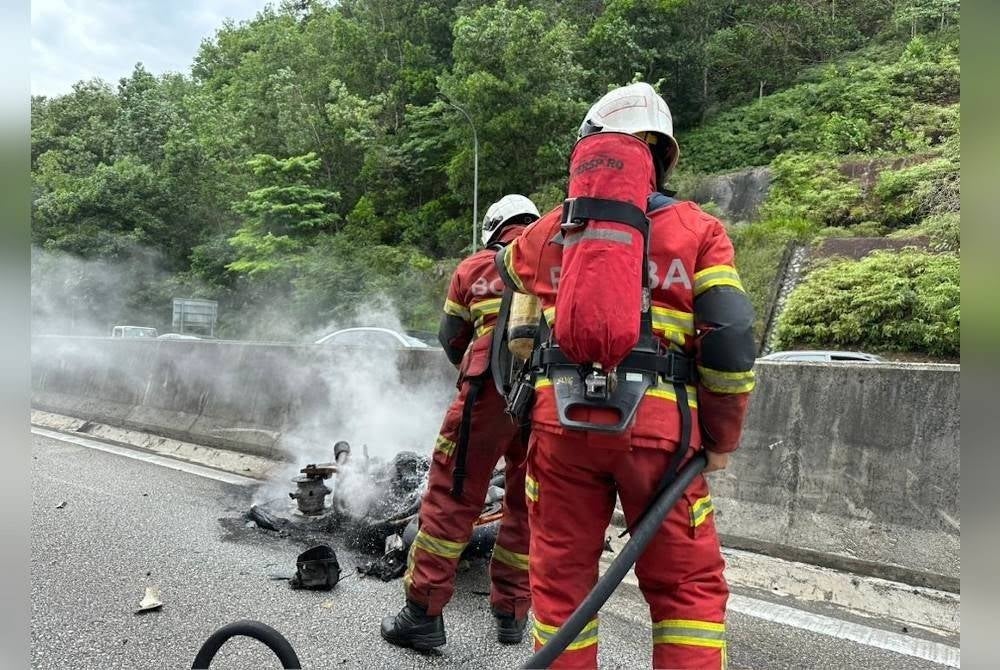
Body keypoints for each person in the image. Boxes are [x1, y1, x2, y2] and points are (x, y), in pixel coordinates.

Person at [494, 83, 757, 669]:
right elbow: (732, 344)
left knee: (562, 591)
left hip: (559, 430)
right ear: (661, 157)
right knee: (687, 593)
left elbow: (504, 267)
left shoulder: (554, 228)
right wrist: (720, 440)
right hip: (660, 439)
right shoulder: (700, 230)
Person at [380, 194, 541, 651]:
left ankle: (422, 615)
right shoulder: (557, 260)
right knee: (527, 506)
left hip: (487, 394)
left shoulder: (475, 268)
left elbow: (452, 338)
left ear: (493, 230)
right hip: (546, 397)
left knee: (453, 498)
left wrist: (477, 372)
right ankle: (512, 615)